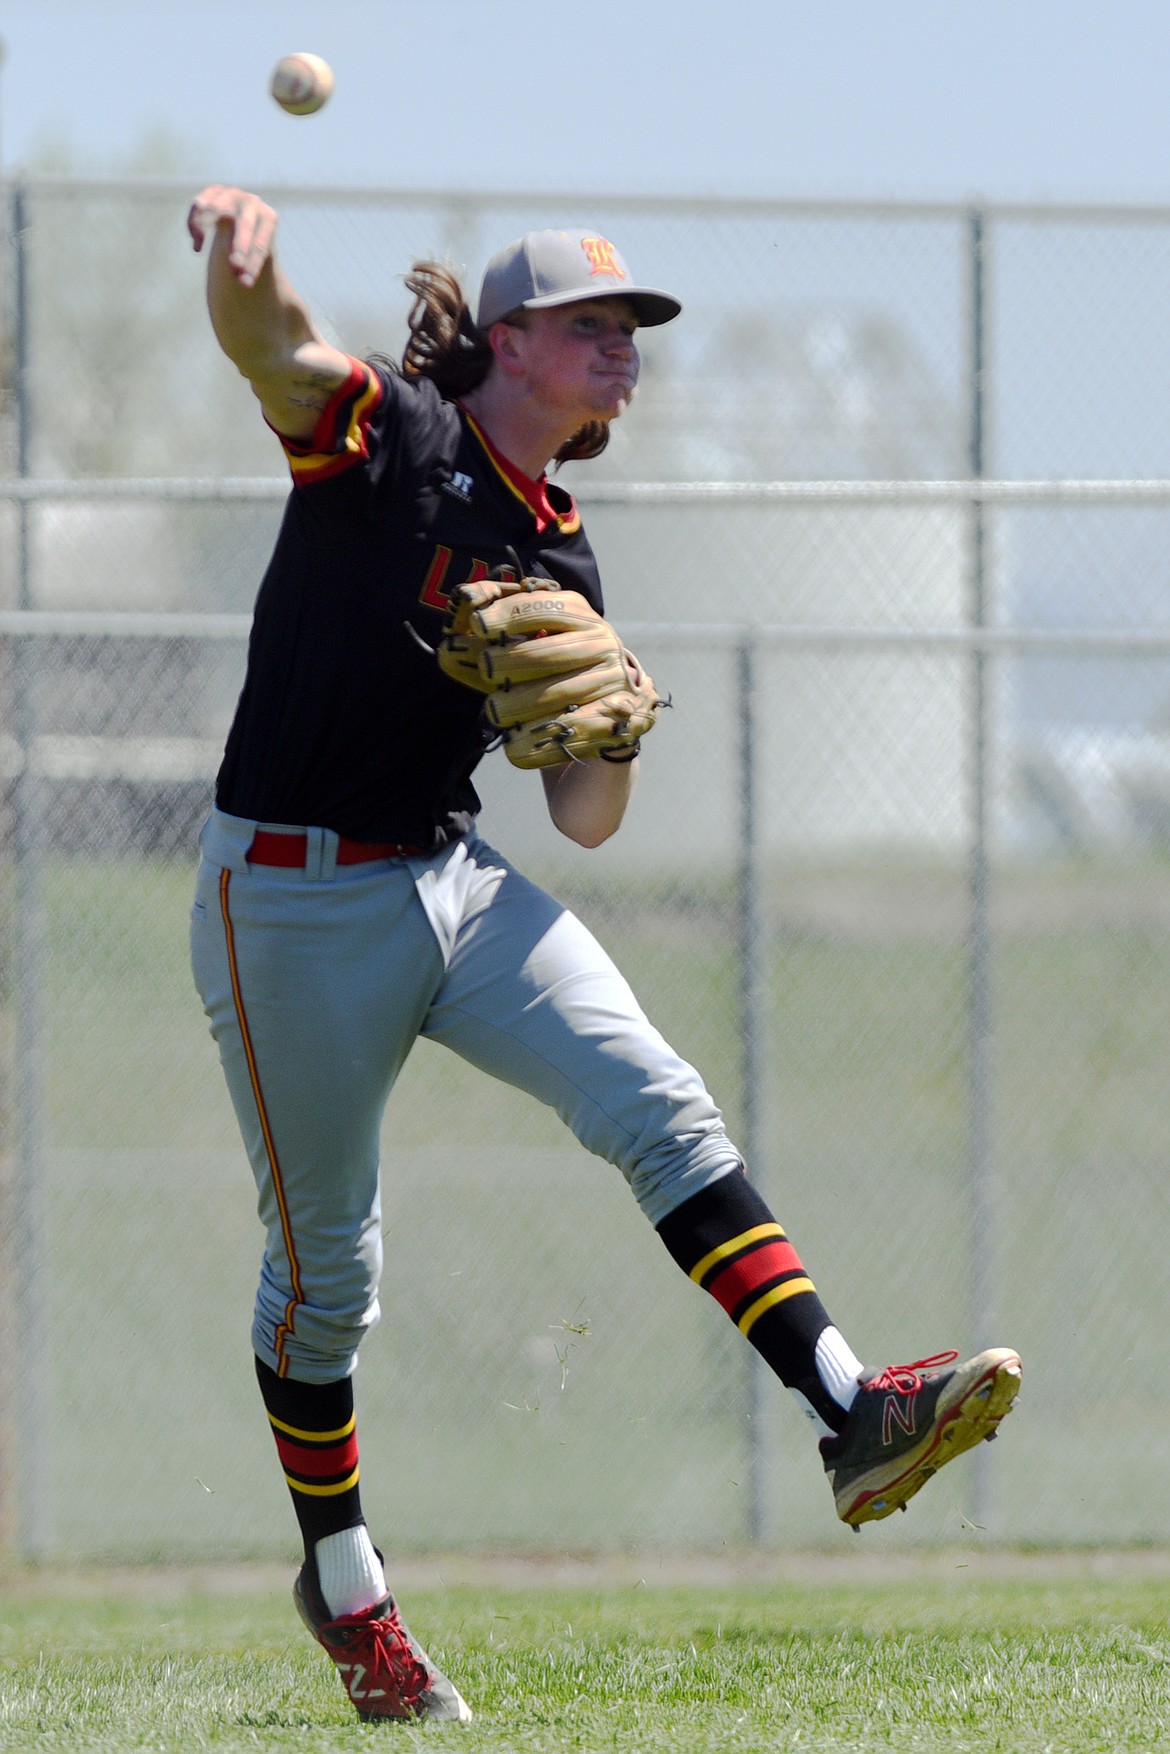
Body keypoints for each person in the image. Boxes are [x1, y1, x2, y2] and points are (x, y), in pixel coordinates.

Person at [186, 185, 1022, 1727]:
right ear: (505, 340)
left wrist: (608, 719)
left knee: (660, 1101)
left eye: (630, 328)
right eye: (592, 325)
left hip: (448, 877)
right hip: (288, 903)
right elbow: (278, 351)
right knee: (324, 1281)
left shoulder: (562, 548)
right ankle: (348, 1585)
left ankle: (851, 1407)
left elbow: (579, 818)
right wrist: (249, 260)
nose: (621, 349)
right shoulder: (399, 440)